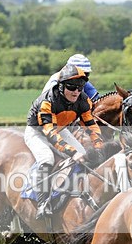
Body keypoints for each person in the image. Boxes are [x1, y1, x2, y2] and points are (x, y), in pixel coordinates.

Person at [25, 63, 105, 218]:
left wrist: (99, 146)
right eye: (71, 87)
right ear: (61, 87)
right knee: (47, 159)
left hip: (61, 129)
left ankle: (72, 192)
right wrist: (72, 152)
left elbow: (91, 126)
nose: (76, 91)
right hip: (38, 131)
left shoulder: (83, 101)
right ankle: (42, 204)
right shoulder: (47, 101)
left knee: (84, 156)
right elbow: (50, 134)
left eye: (80, 87)